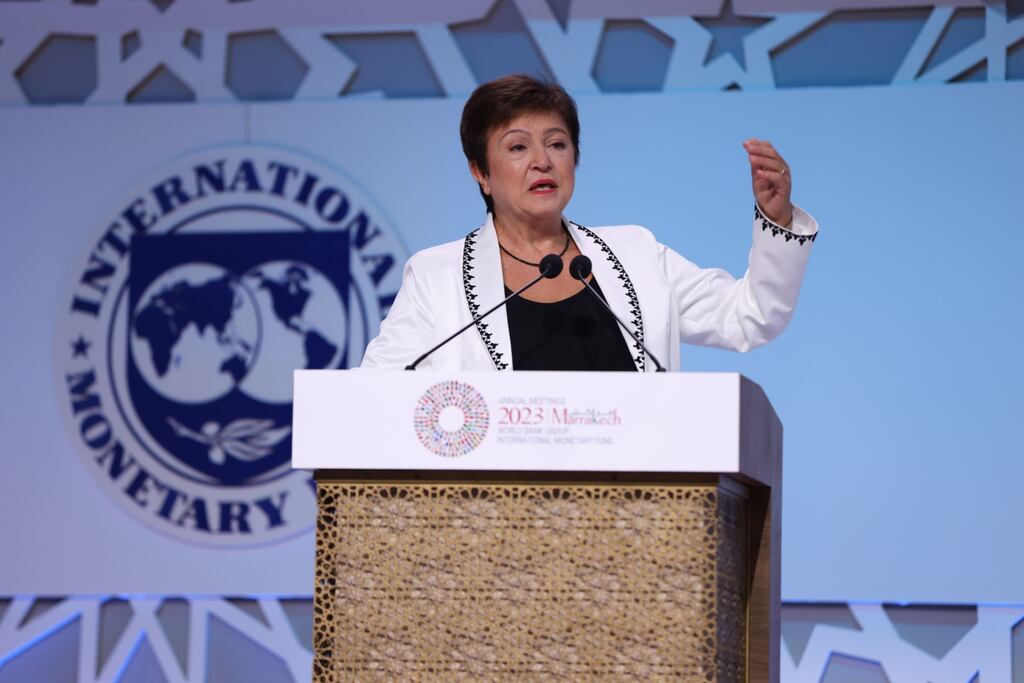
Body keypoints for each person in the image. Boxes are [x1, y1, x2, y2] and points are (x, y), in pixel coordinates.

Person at [361, 74, 818, 372]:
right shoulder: (436, 276)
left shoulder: (636, 255)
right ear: (479, 171)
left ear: (575, 158)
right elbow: (374, 395)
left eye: (557, 144)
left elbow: (750, 317)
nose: (542, 161)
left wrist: (775, 219)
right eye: (518, 148)